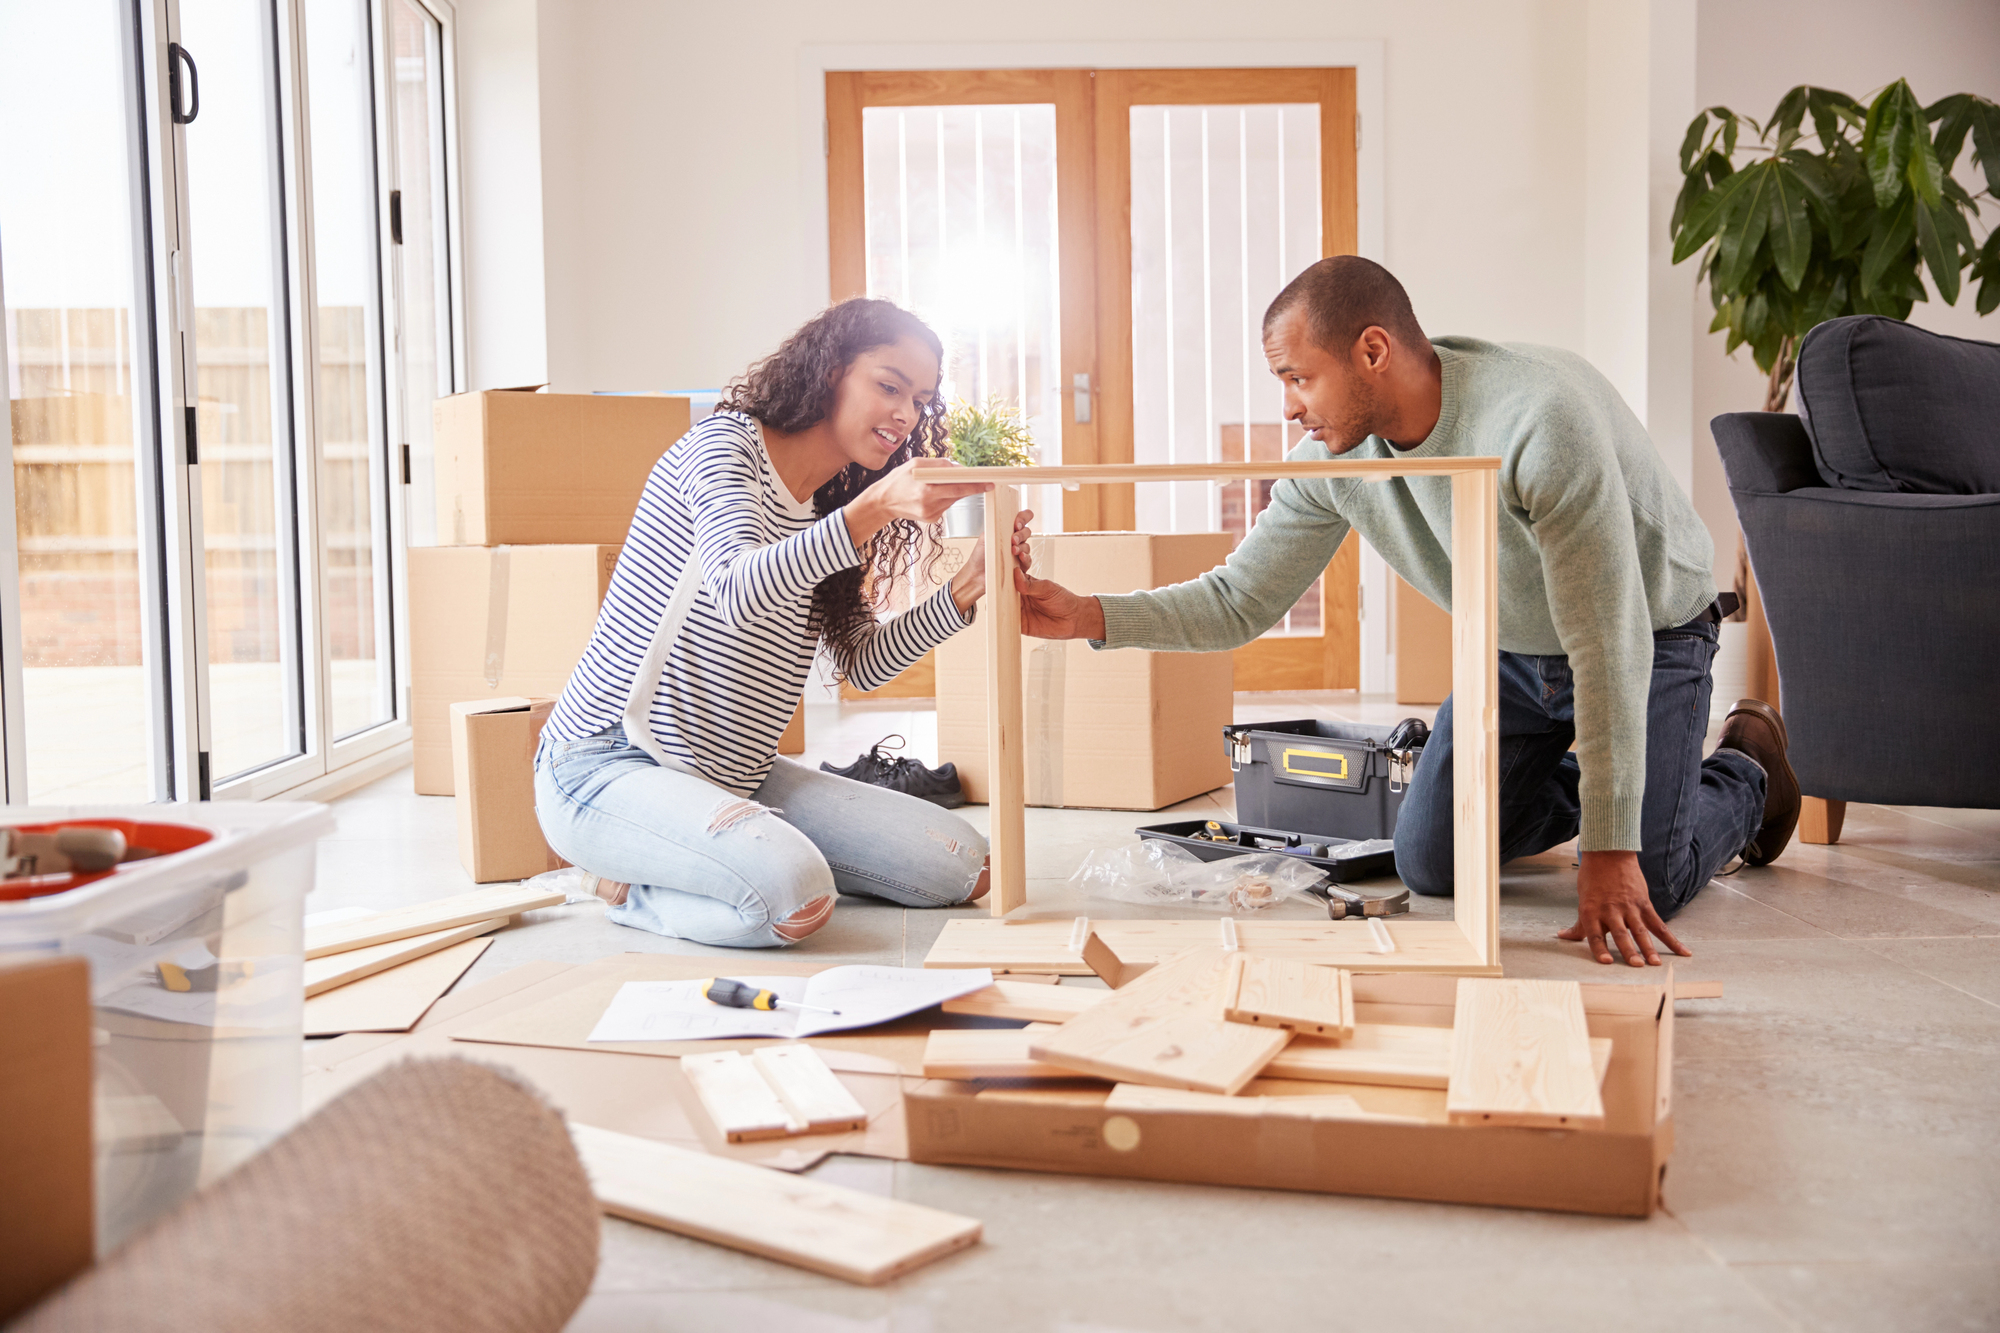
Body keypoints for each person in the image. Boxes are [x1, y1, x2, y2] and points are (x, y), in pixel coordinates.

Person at [1009, 256, 1801, 967]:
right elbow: (1240, 600)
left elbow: (1606, 637)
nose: (1288, 407)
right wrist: (1088, 615)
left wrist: (1610, 843)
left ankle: (1745, 769)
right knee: (1432, 861)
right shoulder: (1331, 459)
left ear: (1373, 351)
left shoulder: (1538, 422)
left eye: (1297, 377)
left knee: (1647, 875)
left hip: (1649, 630)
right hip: (1515, 650)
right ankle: (1615, 775)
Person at [535, 298, 1018, 948]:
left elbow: (863, 664)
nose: (905, 415)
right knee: (793, 896)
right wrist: (872, 510)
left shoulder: (829, 501)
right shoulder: (723, 448)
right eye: (888, 385)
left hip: (739, 771)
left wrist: (966, 588)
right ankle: (628, 887)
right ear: (828, 371)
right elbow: (736, 587)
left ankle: (727, 849)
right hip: (607, 765)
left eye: (920, 399)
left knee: (966, 863)